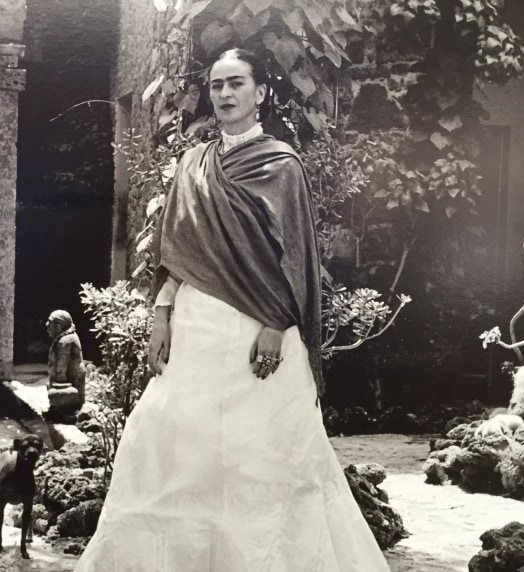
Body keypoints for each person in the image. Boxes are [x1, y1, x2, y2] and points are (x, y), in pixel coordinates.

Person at [75, 48, 390, 572]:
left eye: (236, 83)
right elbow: (176, 250)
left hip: (258, 331)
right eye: (217, 85)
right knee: (174, 443)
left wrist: (275, 324)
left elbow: (294, 255)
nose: (224, 94)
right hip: (196, 326)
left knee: (259, 460)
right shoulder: (194, 162)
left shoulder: (281, 165)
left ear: (261, 93)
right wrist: (161, 311)